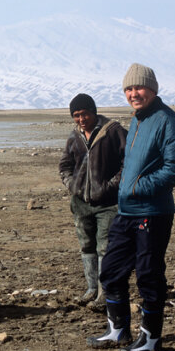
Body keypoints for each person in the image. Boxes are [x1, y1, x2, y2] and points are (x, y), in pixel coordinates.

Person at [89, 64, 175, 351]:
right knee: (111, 271)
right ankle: (118, 329)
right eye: (128, 89)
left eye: (139, 88)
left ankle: (150, 337)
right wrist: (121, 187)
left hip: (153, 212)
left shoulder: (166, 120)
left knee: (148, 274)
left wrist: (138, 187)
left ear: (153, 89)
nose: (134, 94)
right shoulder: (137, 120)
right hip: (127, 211)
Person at [58, 93, 126, 307]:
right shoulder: (74, 135)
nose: (81, 119)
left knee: (105, 248)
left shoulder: (113, 132)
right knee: (86, 245)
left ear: (93, 112)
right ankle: (91, 289)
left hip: (108, 203)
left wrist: (110, 187)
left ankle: (105, 293)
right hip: (81, 202)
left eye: (84, 113)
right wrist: (73, 186)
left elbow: (129, 163)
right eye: (76, 115)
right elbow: (64, 166)